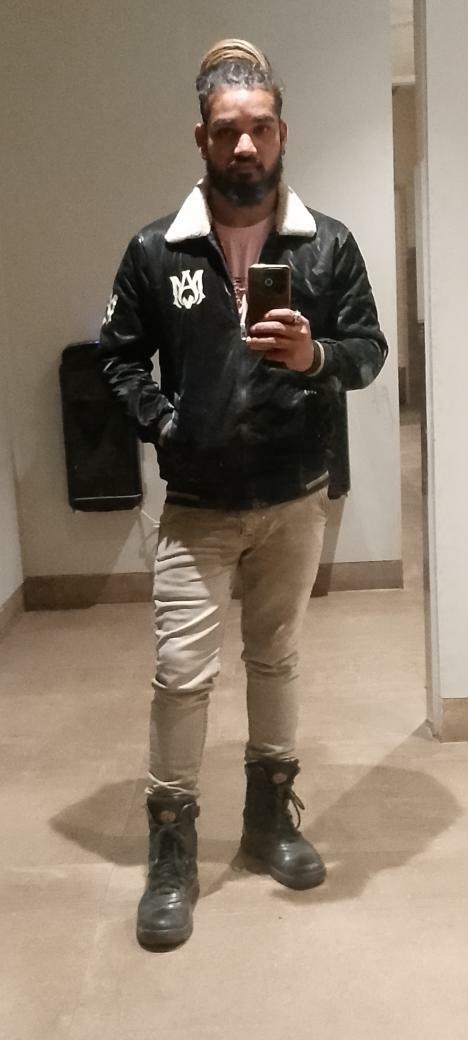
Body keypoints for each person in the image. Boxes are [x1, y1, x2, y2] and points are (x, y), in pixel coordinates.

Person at [99, 38, 388, 949]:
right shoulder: (156, 249)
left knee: (276, 660)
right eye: (227, 131)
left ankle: (268, 820)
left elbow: (368, 351)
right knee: (181, 676)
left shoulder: (326, 244)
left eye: (260, 127)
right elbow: (116, 359)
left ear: (282, 133)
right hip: (196, 505)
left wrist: (314, 356)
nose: (245, 146)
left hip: (294, 495)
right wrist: (165, 422)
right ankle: (173, 847)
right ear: (202, 138)